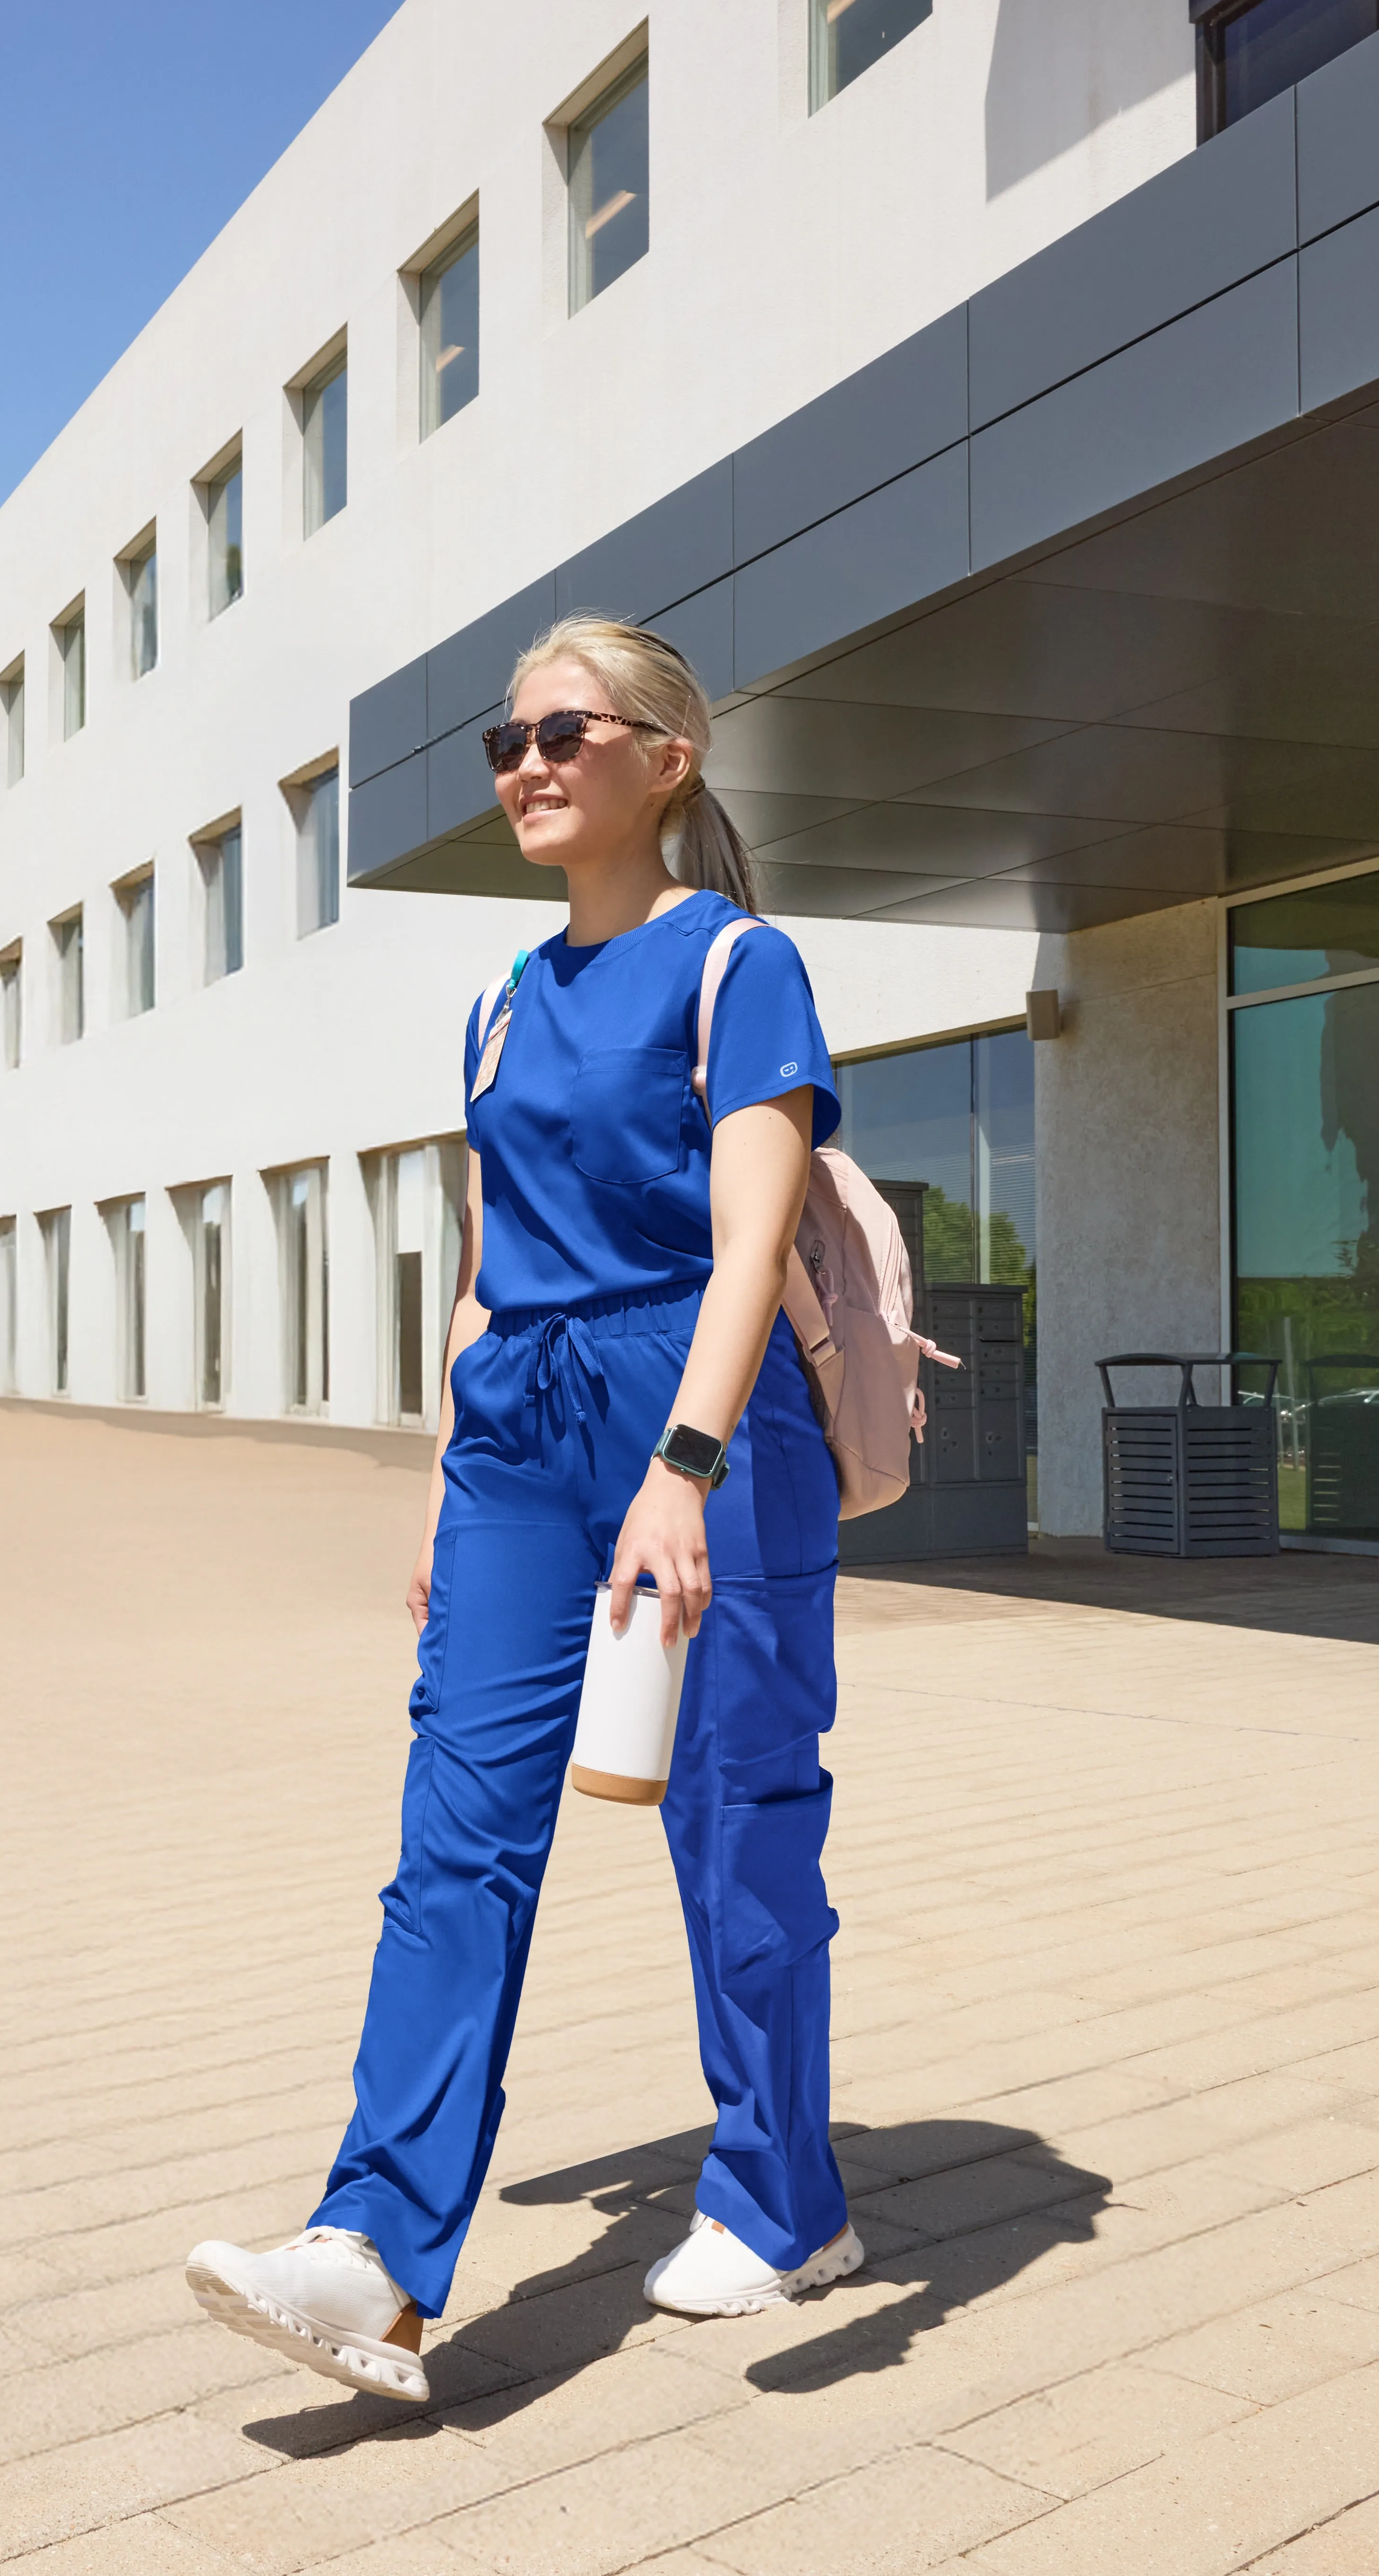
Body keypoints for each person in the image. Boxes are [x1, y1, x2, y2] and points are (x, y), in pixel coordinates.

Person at [187, 616, 861, 2404]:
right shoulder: (496, 1000)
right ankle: (373, 2261)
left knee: (733, 1823)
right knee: (455, 1835)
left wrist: (686, 1469)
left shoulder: (740, 966)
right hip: (515, 1433)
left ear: (668, 756)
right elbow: (492, 1268)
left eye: (567, 730)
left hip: (696, 1420)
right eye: (506, 740)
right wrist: (443, 1486)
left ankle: (787, 2198)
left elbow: (749, 1245)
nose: (528, 764)